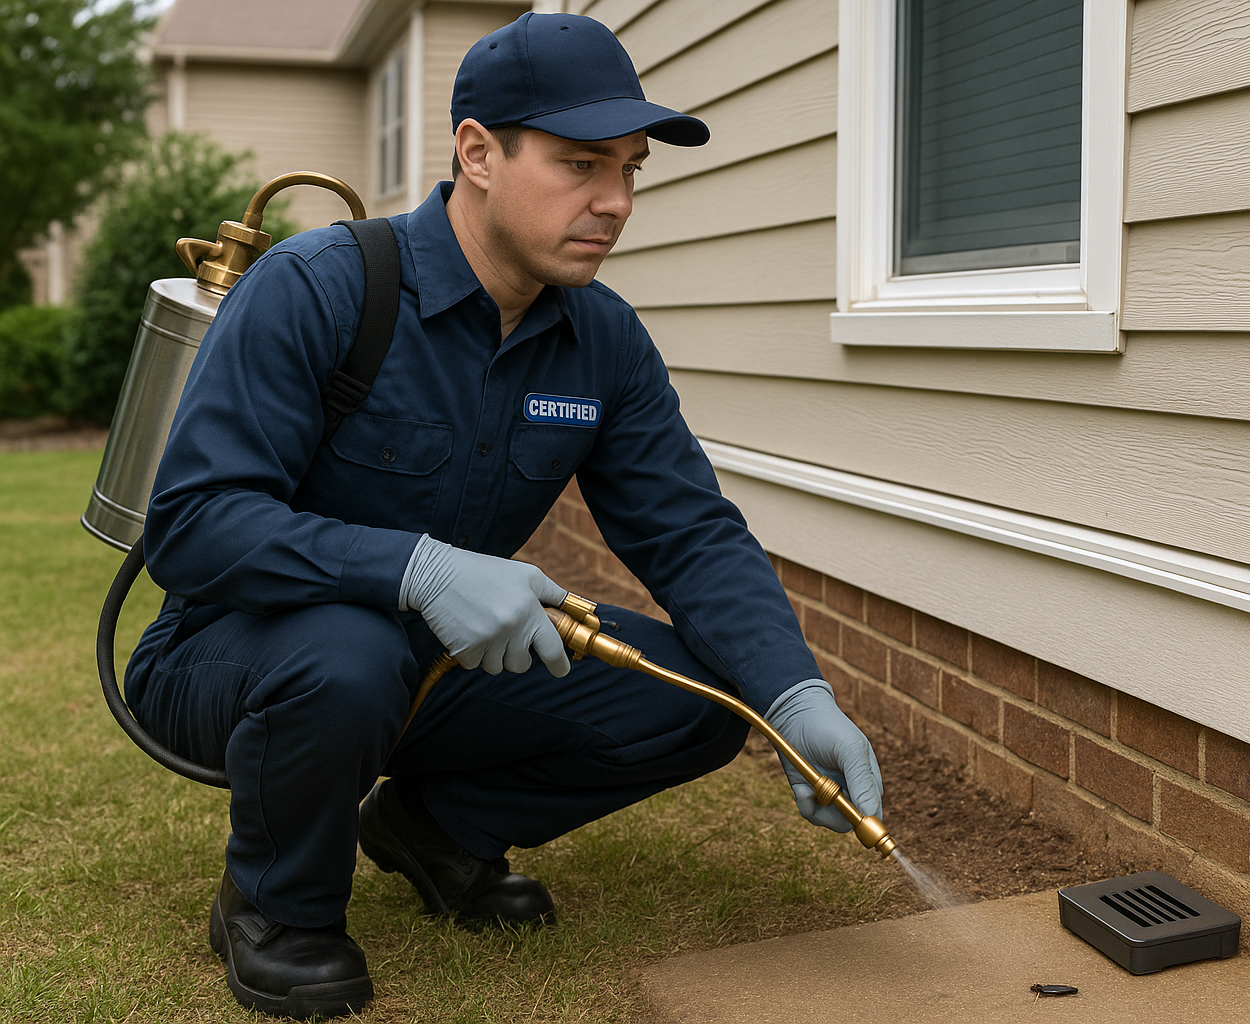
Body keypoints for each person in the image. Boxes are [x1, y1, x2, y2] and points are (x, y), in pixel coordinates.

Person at [122, 12, 884, 1021]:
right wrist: (418, 569)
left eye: (630, 170)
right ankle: (276, 907)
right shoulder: (318, 289)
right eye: (581, 164)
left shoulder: (602, 341)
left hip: (431, 666)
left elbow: (689, 531)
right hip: (229, 653)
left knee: (702, 696)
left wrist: (792, 694)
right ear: (477, 153)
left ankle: (435, 827)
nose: (615, 202)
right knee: (349, 653)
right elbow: (193, 524)